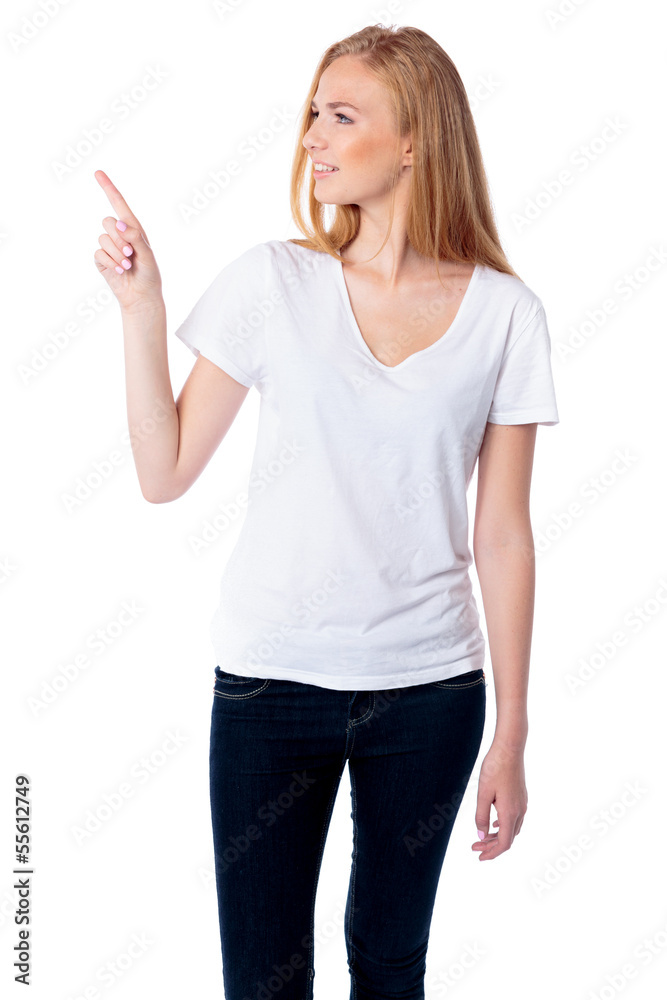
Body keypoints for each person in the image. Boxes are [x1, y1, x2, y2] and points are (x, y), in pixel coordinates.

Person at [93, 22, 559, 1000]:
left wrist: (512, 731)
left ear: (413, 141)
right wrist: (142, 311)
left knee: (389, 967)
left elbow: (503, 534)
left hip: (429, 694)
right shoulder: (274, 282)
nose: (311, 135)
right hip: (269, 687)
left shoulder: (506, 316)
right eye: (313, 111)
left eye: (341, 115)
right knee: (264, 980)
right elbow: (163, 472)